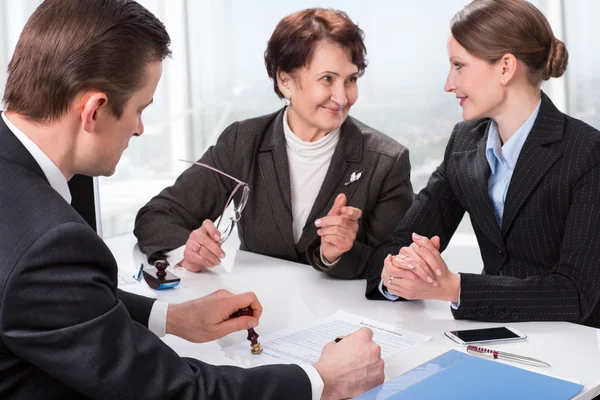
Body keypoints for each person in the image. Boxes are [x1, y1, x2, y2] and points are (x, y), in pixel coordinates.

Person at [0, 1, 385, 399]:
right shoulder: (49, 242)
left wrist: (170, 316)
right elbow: (174, 391)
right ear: (95, 110)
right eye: (139, 109)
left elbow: (58, 302)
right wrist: (322, 380)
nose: (139, 129)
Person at [366, 0, 600, 328]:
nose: (449, 83)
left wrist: (454, 288)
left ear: (505, 67)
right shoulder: (465, 142)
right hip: (495, 339)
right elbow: (401, 242)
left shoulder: (587, 152)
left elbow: (575, 293)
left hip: (581, 347)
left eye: (459, 66)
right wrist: (397, 270)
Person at [134, 8, 413, 279]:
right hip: (256, 312)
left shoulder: (386, 161)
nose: (341, 98)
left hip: (346, 319)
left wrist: (336, 256)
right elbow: (157, 216)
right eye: (327, 79)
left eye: (350, 80)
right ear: (285, 80)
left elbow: (394, 270)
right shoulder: (242, 141)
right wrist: (188, 249)